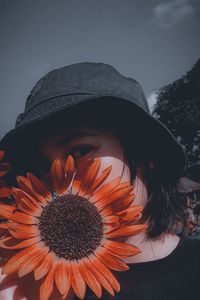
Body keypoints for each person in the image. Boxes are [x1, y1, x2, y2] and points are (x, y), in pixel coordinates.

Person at [0, 62, 200, 299]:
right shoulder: (29, 287)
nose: (59, 178)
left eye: (79, 151)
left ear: (145, 154)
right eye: (42, 167)